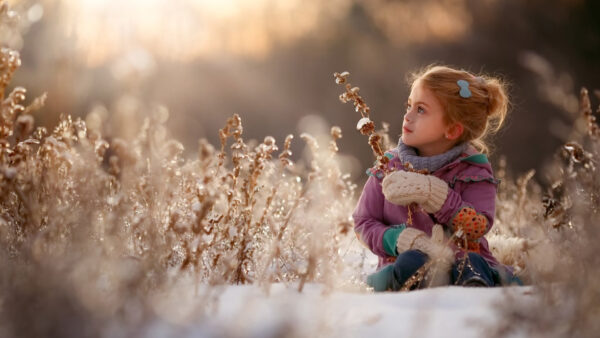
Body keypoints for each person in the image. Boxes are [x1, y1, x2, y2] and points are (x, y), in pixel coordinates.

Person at [353, 64, 520, 292]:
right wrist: (399, 239)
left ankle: (473, 294)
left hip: (464, 261)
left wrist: (435, 195)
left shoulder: (473, 171)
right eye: (409, 105)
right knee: (410, 262)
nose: (407, 116)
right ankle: (416, 286)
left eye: (420, 110)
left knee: (472, 262)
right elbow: (364, 222)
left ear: (452, 130)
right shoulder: (389, 165)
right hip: (409, 260)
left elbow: (478, 226)